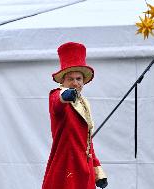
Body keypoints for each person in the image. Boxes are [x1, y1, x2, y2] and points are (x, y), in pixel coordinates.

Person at [42, 42, 108, 189]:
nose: (75, 83)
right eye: (70, 79)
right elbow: (56, 102)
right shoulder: (57, 95)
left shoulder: (84, 103)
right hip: (66, 166)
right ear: (63, 81)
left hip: (85, 167)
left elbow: (88, 141)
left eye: (78, 79)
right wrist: (65, 95)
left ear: (83, 81)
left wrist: (98, 170)